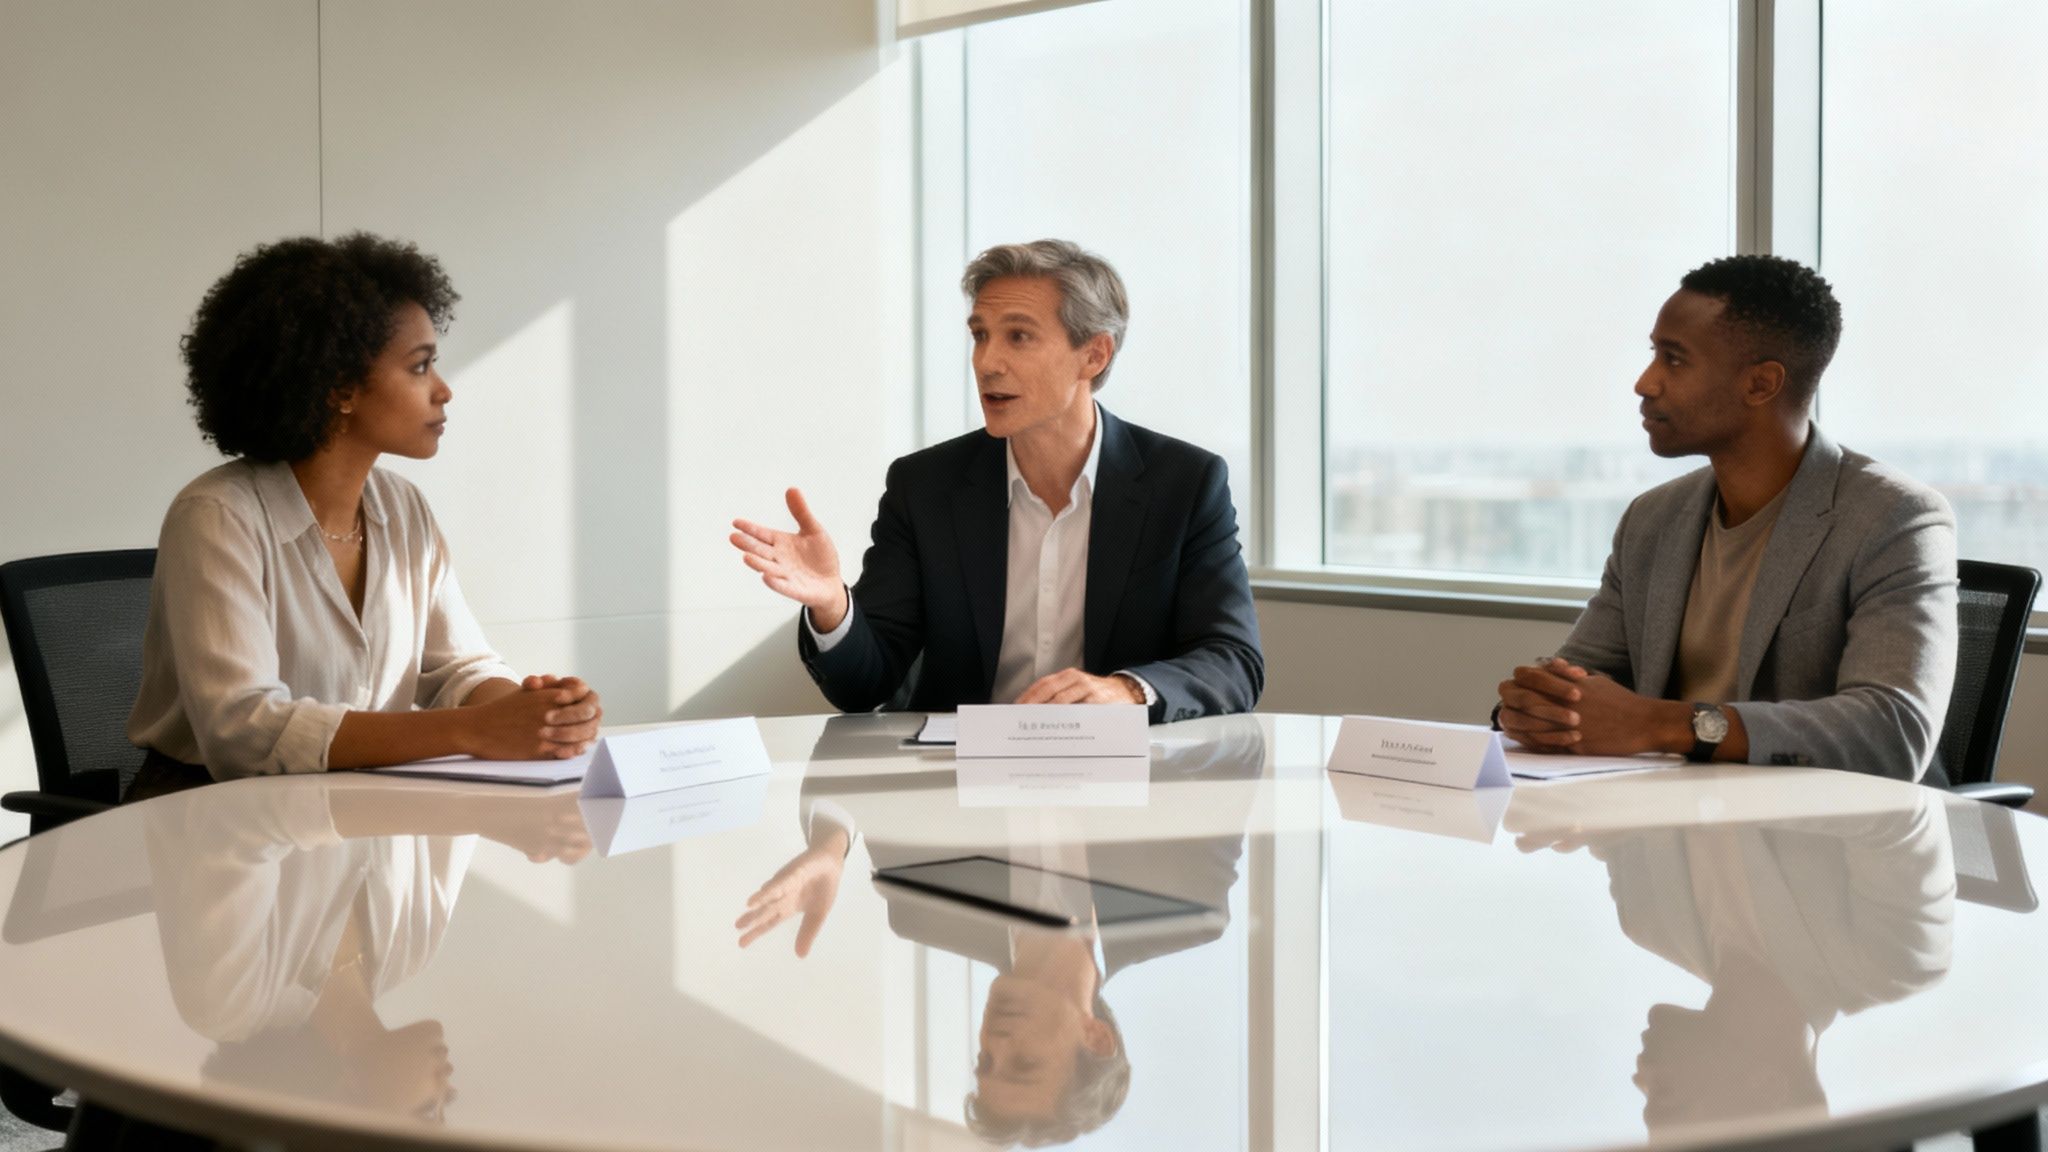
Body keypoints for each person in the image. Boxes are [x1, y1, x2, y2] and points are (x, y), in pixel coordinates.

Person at [127, 234, 602, 786]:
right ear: (340, 388)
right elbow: (244, 730)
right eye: (420, 367)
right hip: (214, 821)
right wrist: (472, 729)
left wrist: (537, 715)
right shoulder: (216, 516)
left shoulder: (403, 508)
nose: (444, 390)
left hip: (356, 812)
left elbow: (459, 668)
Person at [730, 240, 1263, 722]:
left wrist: (1126, 691)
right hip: (957, 791)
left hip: (1123, 788)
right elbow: (865, 683)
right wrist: (832, 605)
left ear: (1094, 354)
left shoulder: (1186, 483)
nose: (987, 362)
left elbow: (1233, 660)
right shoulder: (924, 486)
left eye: (1019, 337)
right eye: (980, 336)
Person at [1495, 255, 1957, 782]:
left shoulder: (1893, 518)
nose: (1645, 383)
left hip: (1834, 843)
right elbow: (1581, 680)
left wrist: (1662, 724)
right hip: (1670, 832)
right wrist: (1541, 708)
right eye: (1654, 354)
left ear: (1761, 385)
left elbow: (1892, 730)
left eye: (1674, 360)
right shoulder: (1653, 519)